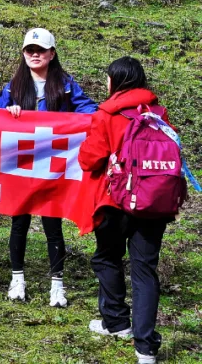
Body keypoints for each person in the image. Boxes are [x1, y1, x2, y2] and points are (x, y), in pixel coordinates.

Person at [79, 57, 172, 364]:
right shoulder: (157, 112)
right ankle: (145, 348)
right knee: (145, 271)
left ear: (115, 81)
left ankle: (116, 322)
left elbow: (89, 160)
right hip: (154, 202)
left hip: (116, 201)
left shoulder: (107, 113)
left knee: (107, 257)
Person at [0, 27, 97, 306]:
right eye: (30, 50)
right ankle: (17, 279)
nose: (35, 55)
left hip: (53, 167)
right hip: (22, 165)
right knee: (20, 222)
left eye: (40, 50)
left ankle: (57, 285)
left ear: (52, 54)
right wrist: (8, 112)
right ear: (23, 54)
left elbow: (89, 110)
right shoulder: (14, 86)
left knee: (53, 224)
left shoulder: (65, 84)